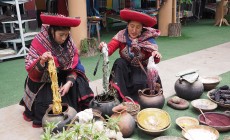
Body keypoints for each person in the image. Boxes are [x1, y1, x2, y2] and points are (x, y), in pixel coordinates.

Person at [19, 13, 94, 128]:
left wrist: (69, 83)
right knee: (48, 105)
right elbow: (32, 72)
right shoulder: (39, 41)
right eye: (61, 35)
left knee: (79, 82)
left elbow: (75, 66)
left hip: (63, 77)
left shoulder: (69, 43)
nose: (64, 38)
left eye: (66, 35)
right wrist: (41, 61)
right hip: (43, 80)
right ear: (52, 31)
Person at [98, 9, 162, 102]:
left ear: (142, 28)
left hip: (141, 69)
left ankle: (139, 101)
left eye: (138, 27)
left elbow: (154, 59)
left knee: (139, 83)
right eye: (131, 26)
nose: (134, 30)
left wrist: (155, 56)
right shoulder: (121, 35)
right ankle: (122, 97)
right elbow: (110, 49)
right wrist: (103, 47)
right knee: (119, 62)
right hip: (126, 69)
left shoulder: (147, 38)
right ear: (127, 25)